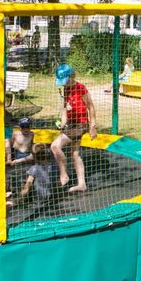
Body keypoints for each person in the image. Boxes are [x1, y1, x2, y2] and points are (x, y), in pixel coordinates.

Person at [51, 64, 97, 192]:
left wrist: (93, 126)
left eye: (65, 81)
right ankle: (82, 184)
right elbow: (65, 108)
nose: (64, 84)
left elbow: (91, 106)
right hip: (71, 124)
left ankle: (64, 175)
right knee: (75, 154)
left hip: (80, 124)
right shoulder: (66, 89)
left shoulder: (81, 88)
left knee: (55, 146)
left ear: (72, 76)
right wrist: (63, 124)